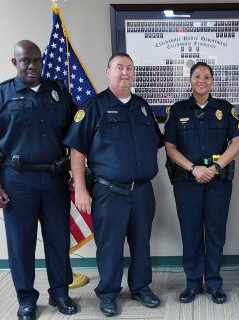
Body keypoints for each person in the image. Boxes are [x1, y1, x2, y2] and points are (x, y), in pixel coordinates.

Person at [0, 40, 78, 320]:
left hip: (55, 178)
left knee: (57, 239)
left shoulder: (59, 94)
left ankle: (60, 293)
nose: (32, 66)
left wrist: (77, 176)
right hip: (17, 181)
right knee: (21, 242)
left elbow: (77, 138)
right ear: (14, 62)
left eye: (36, 60)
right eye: (25, 61)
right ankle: (26, 298)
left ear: (43, 60)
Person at [64, 53, 163, 317]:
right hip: (109, 191)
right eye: (119, 67)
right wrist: (82, 189)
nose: (124, 72)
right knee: (110, 246)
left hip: (142, 191)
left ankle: (141, 288)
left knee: (142, 242)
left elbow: (155, 142)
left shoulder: (143, 107)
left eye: (129, 68)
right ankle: (108, 293)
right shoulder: (93, 107)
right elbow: (77, 151)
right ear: (108, 72)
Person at [164, 62, 239, 304]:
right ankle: (192, 283)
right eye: (197, 76)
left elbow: (237, 142)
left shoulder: (225, 109)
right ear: (190, 80)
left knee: (216, 233)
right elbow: (170, 147)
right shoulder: (177, 111)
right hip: (187, 182)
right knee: (191, 233)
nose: (202, 80)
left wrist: (215, 167)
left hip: (218, 182)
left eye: (207, 77)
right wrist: (194, 168)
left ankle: (214, 283)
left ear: (212, 81)